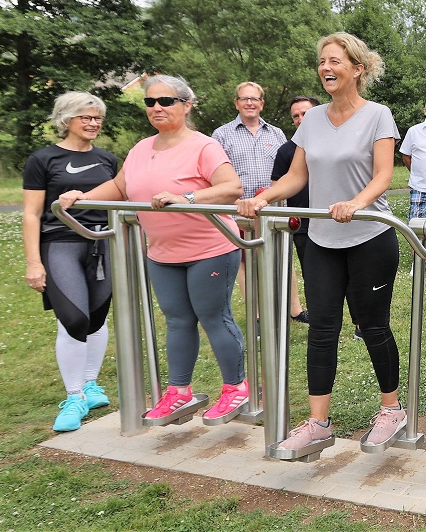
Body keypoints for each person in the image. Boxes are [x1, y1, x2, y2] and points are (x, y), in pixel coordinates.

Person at [237, 32, 405, 454]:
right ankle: (317, 422)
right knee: (322, 330)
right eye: (322, 62)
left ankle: (392, 409)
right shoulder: (311, 121)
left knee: (372, 326)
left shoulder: (378, 115)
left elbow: (383, 175)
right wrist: (263, 197)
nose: (326, 68)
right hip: (322, 239)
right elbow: (297, 177)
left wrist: (357, 202)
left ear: (357, 69)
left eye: (335, 61)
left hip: (370, 234)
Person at [59, 75, 248, 424]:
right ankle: (179, 391)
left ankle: (236, 387)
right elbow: (120, 186)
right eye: (150, 102)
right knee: (177, 320)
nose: (156, 108)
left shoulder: (203, 146)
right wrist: (81, 196)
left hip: (210, 247)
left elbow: (231, 188)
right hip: (162, 252)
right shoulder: (141, 149)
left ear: (186, 105)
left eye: (165, 101)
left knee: (213, 317)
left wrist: (187, 198)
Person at [24, 92, 118, 432]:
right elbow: (32, 214)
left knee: (96, 316)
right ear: (66, 119)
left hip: (103, 244)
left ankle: (90, 385)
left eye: (97, 118)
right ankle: (74, 395)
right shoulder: (43, 159)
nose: (93, 123)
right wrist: (34, 262)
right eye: (85, 117)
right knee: (74, 318)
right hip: (60, 244)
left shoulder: (108, 159)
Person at [270, 94, 321, 324]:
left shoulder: (335, 144)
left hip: (338, 219)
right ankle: (320, 320)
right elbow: (277, 188)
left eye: (306, 113)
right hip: (303, 225)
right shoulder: (285, 152)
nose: (301, 119)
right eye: (296, 116)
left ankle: (360, 323)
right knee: (314, 277)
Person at [211, 81, 287, 200]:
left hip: (273, 211)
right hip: (237, 212)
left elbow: (288, 174)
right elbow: (214, 177)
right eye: (244, 99)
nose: (249, 103)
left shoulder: (277, 134)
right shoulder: (221, 135)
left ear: (261, 104)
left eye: (254, 99)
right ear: (236, 103)